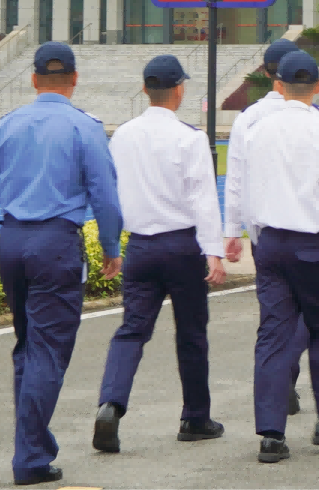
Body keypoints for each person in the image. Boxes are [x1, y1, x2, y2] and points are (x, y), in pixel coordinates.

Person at [0, 42, 123, 487]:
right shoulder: (84, 127)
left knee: (28, 346)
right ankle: (30, 456)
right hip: (55, 242)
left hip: (11, 240)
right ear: (74, 80)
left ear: (33, 80)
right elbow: (105, 195)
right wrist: (111, 246)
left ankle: (31, 443)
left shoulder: (5, 126)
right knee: (48, 350)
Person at [221, 49, 319, 464]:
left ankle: (271, 433)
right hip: (310, 244)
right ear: (317, 86)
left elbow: (238, 183)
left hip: (270, 244)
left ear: (277, 84)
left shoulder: (255, 128)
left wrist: (239, 232)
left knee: (274, 334)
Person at [95, 54, 225, 454]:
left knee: (131, 330)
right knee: (191, 333)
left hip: (141, 246)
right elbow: (203, 198)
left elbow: (111, 197)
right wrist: (214, 252)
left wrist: (112, 246)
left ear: (144, 89)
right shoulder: (190, 137)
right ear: (180, 90)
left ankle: (111, 404)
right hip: (182, 245)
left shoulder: (123, 135)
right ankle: (195, 416)